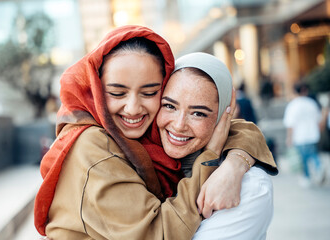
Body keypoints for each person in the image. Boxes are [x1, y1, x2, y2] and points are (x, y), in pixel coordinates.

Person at [34, 25, 277, 239]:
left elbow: (232, 128)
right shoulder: (95, 146)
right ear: (96, 89)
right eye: (117, 93)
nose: (132, 108)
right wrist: (212, 156)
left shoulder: (139, 133)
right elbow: (156, 233)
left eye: (150, 93)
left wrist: (236, 162)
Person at [157, 52, 275, 239]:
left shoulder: (249, 187)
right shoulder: (140, 156)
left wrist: (233, 165)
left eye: (198, 113)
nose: (179, 125)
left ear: (223, 117)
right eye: (170, 106)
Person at [283, 82, 322, 187]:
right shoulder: (312, 103)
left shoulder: (293, 105)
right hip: (313, 134)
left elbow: (290, 124)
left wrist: (289, 138)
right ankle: (319, 169)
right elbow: (318, 119)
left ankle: (307, 178)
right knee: (314, 154)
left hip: (299, 136)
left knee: (303, 159)